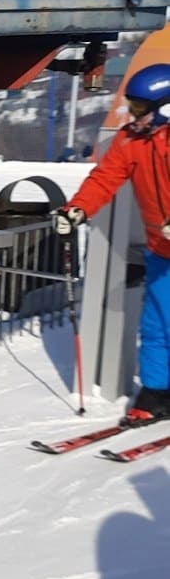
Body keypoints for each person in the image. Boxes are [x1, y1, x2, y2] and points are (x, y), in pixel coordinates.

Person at [56, 63, 170, 424]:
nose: (132, 115)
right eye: (131, 106)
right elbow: (105, 178)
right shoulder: (130, 141)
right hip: (161, 249)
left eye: (140, 108)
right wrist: (77, 209)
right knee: (156, 325)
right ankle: (156, 392)